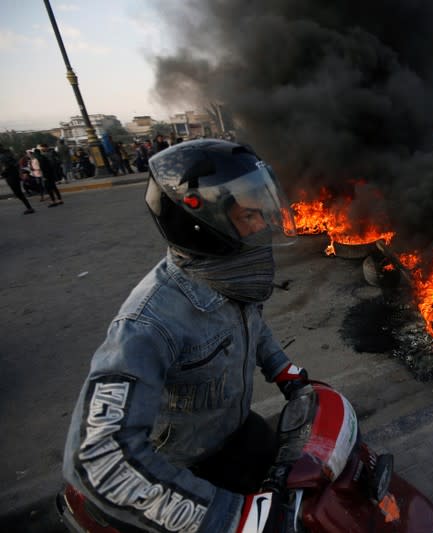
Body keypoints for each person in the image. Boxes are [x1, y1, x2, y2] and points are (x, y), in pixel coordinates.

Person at [62, 139, 309, 533]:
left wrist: (285, 371)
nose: (262, 223)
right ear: (201, 224)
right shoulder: (147, 324)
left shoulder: (228, 276)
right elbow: (99, 458)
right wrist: (228, 518)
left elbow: (251, 323)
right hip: (180, 472)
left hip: (233, 432)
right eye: (249, 215)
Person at [0, 144, 35, 214]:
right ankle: (29, 207)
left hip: (10, 176)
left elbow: (5, 167)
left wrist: (3, 172)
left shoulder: (2, 156)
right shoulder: (8, 153)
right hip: (15, 174)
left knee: (18, 193)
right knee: (19, 192)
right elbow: (16, 163)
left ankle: (29, 208)